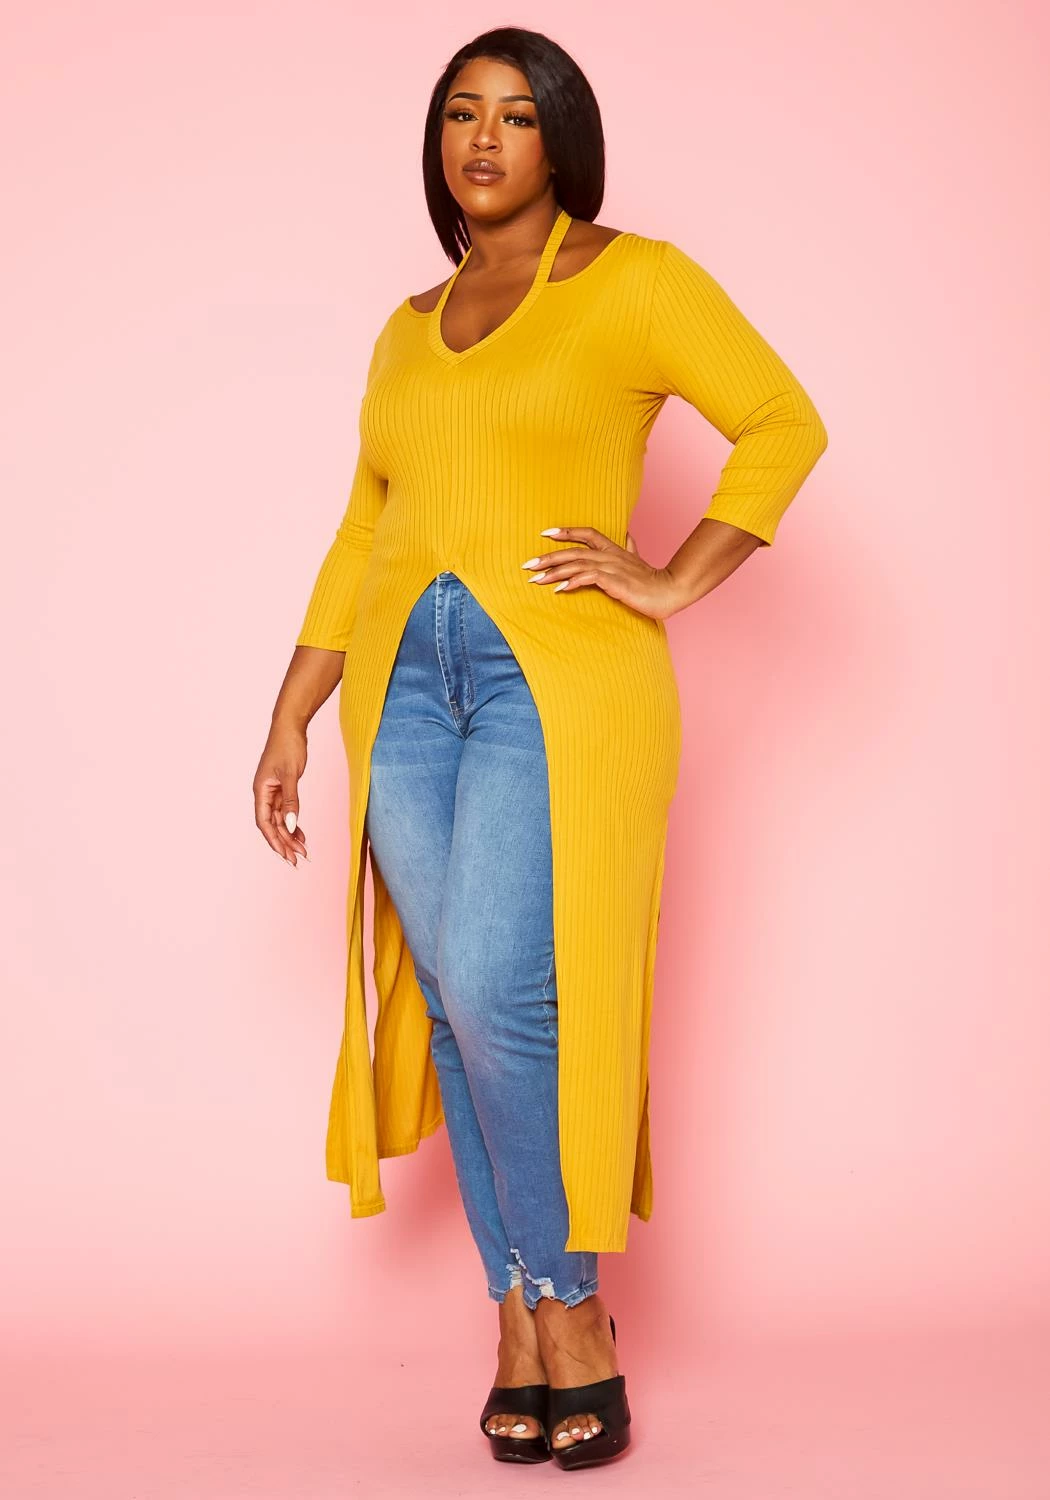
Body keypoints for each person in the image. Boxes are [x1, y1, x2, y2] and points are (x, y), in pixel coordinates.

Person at [253, 26, 828, 1470]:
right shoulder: (406, 326)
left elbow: (781, 422)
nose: (486, 138)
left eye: (517, 114)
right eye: (463, 113)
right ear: (437, 141)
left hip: (555, 686)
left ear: (562, 140)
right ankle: (515, 1315)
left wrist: (673, 578)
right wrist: (293, 709)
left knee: (503, 986)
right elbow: (368, 524)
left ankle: (570, 1310)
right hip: (402, 688)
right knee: (454, 999)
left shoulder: (636, 281)